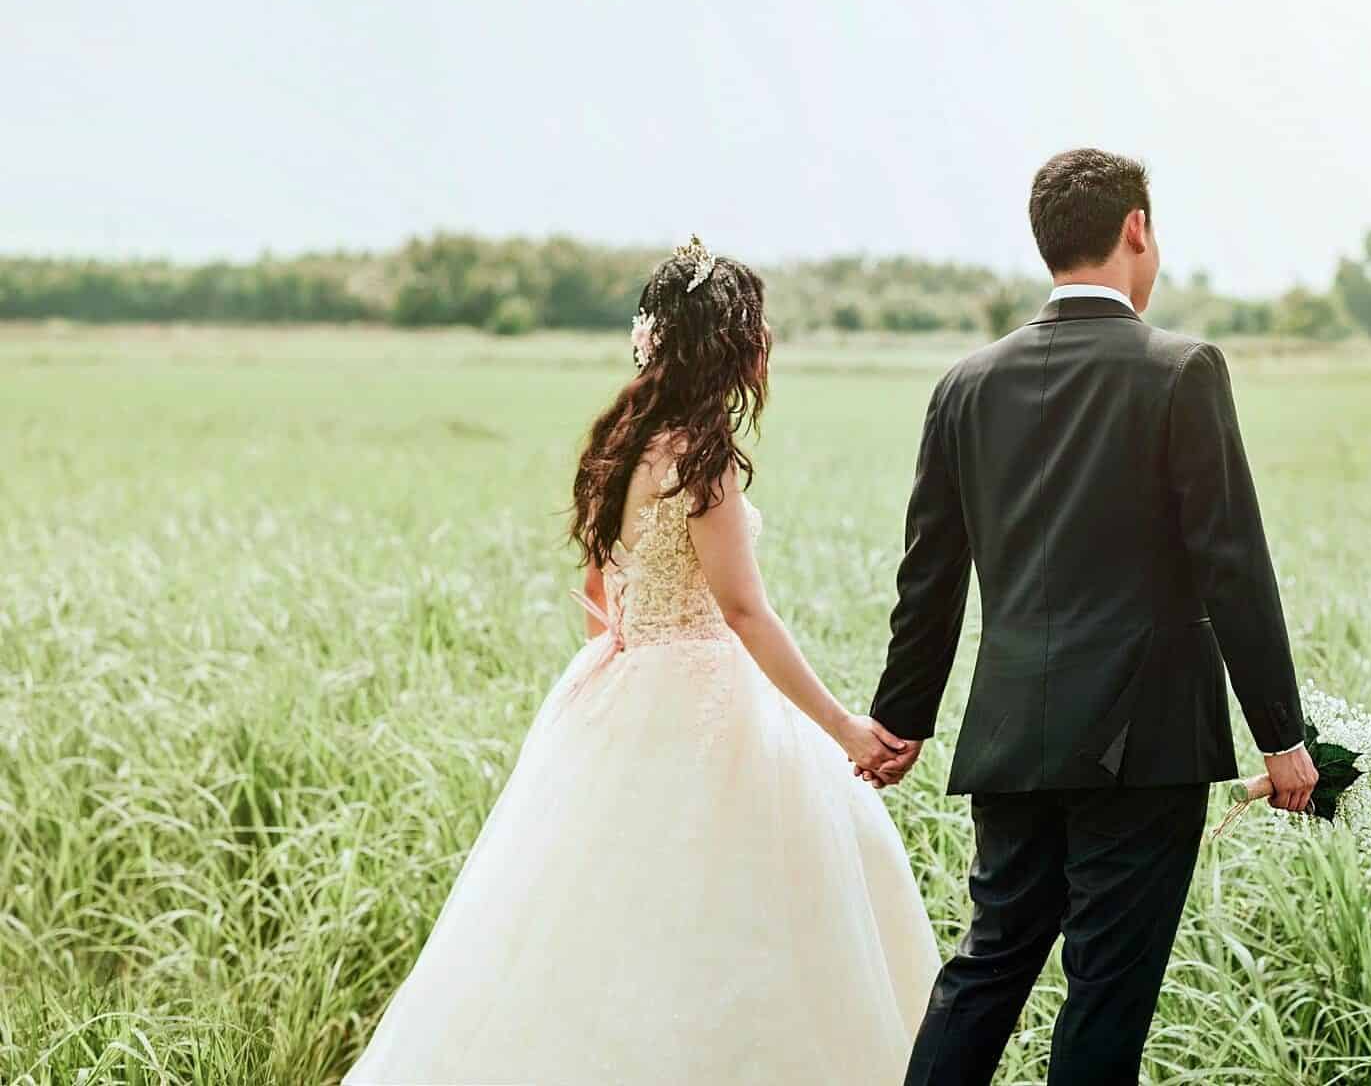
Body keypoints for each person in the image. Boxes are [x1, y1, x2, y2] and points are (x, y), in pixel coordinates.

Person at [344, 238, 938, 1085]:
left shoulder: (620, 443)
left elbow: (597, 592)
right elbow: (744, 611)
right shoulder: (703, 462)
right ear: (728, 346)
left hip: (618, 684)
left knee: (594, 924)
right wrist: (845, 727)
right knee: (730, 924)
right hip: (703, 690)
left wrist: (629, 663)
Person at [863, 149, 1319, 1085]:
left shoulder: (966, 384)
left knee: (987, 971)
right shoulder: (1182, 369)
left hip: (1009, 738)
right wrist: (1282, 735)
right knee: (1104, 998)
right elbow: (1232, 565)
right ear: (1136, 229)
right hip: (1143, 748)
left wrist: (902, 720)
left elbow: (931, 576)